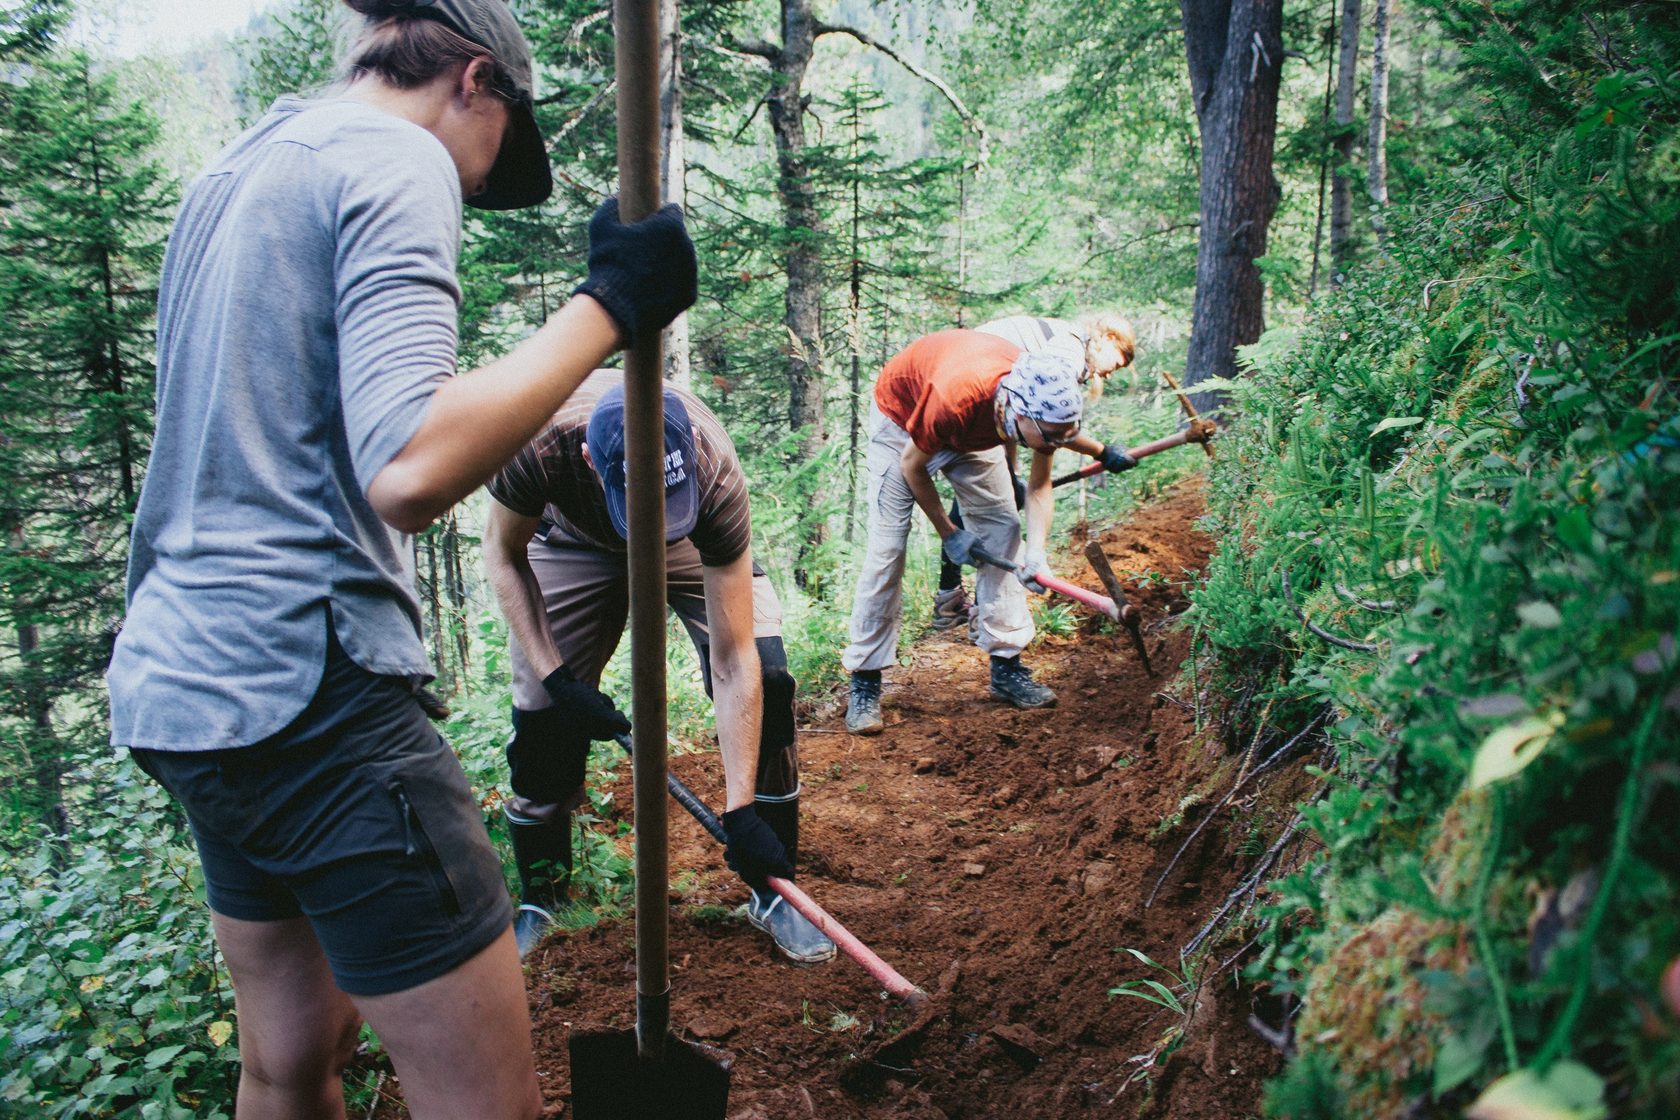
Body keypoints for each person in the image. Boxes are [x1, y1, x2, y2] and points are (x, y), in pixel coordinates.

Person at [105, 2, 695, 1116]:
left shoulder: (240, 167)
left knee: (285, 1064)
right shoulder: (398, 154)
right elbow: (411, 466)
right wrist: (608, 307)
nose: (474, 186)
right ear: (475, 81)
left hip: (180, 687)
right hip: (311, 700)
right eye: (493, 157)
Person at [482, 373, 836, 965]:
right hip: (569, 539)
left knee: (769, 681)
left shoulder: (713, 470)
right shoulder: (535, 442)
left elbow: (733, 658)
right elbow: (501, 552)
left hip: (686, 538)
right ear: (591, 458)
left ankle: (775, 889)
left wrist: (740, 809)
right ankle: (543, 898)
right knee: (545, 717)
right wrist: (556, 677)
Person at [842, 329, 1090, 736]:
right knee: (888, 548)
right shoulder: (956, 398)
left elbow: (1039, 486)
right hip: (902, 424)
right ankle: (865, 681)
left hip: (973, 427)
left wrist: (1037, 554)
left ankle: (1006, 667)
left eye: (1065, 434)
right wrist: (948, 531)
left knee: (1004, 527)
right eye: (1051, 436)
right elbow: (913, 466)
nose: (1057, 443)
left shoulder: (1046, 413)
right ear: (1019, 413)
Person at [931, 312, 1140, 630]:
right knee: (998, 515)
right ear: (1109, 339)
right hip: (966, 395)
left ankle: (952, 599)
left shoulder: (1065, 348)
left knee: (998, 496)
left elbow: (1029, 426)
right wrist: (1102, 451)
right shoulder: (1064, 360)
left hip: (983, 399)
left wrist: (1012, 470)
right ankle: (982, 617)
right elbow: (1049, 436)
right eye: (1120, 361)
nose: (1113, 373)